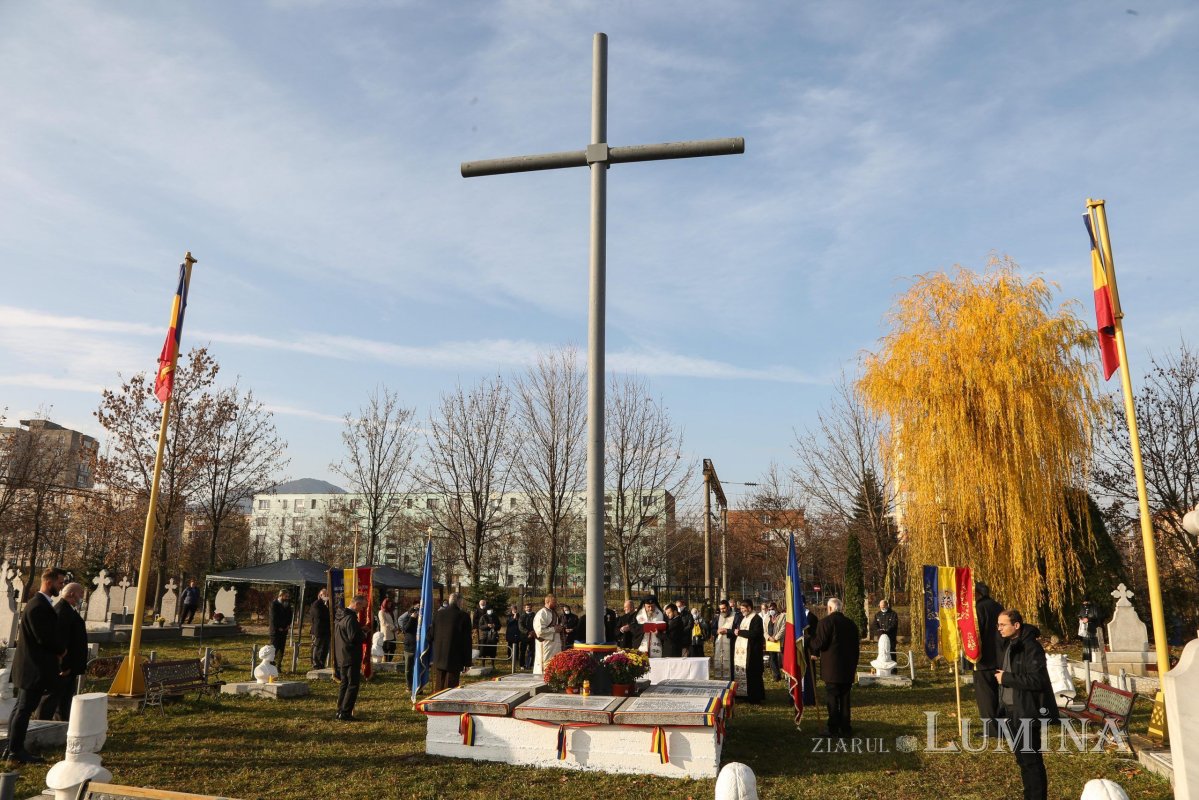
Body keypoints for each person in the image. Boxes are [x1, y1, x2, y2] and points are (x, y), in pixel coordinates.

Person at [4, 567, 66, 763]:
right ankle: (16, 751)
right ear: (49, 582)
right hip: (33, 667)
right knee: (24, 709)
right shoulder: (38, 606)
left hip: (30, 667)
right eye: (60, 582)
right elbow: (43, 636)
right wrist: (60, 649)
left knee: (20, 708)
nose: (61, 586)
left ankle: (12, 748)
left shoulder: (37, 604)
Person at [996, 609, 1057, 800]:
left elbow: (1037, 680)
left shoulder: (1031, 647)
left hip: (1026, 711)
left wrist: (1006, 677)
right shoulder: (1010, 644)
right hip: (1011, 710)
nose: (999, 628)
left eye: (1003, 624)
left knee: (1031, 761)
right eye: (998, 624)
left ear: (1016, 625)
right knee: (1022, 760)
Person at [36, 581, 87, 722]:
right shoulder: (62, 611)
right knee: (51, 700)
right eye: (81, 594)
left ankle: (61, 727)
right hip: (63, 668)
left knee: (63, 702)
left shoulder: (68, 610)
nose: (82, 596)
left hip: (70, 668)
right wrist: (63, 666)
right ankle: (40, 726)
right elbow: (60, 641)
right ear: (72, 594)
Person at [810, 597, 860, 736]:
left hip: (832, 668)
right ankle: (845, 728)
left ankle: (833, 727)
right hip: (848, 667)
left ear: (830, 608)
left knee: (832, 698)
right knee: (845, 699)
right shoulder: (851, 624)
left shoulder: (825, 622)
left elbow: (819, 644)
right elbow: (856, 647)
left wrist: (808, 640)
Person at [974, 581, 1005, 736]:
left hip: (983, 657)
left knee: (985, 695)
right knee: (998, 693)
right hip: (999, 655)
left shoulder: (978, 608)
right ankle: (1000, 724)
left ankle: (991, 729)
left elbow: (975, 633)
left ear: (977, 593)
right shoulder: (998, 606)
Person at [431, 592, 473, 690]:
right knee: (450, 688)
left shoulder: (438, 614)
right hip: (455, 658)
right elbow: (467, 641)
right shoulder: (464, 616)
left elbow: (430, 635)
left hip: (439, 656)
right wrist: (467, 662)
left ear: (449, 601)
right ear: (460, 601)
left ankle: (436, 703)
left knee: (439, 684)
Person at [334, 594, 366, 721]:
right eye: (362, 607)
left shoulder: (340, 616)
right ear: (356, 604)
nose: (362, 610)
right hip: (351, 655)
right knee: (352, 684)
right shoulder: (351, 618)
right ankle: (346, 713)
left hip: (341, 654)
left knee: (344, 684)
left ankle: (340, 710)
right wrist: (363, 634)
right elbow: (353, 637)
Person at [733, 599, 765, 703]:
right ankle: (744, 695)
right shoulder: (744, 618)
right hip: (745, 652)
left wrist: (740, 632)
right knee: (746, 674)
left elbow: (755, 634)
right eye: (741, 609)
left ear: (749, 608)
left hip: (753, 652)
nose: (741, 611)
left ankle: (755, 697)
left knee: (754, 675)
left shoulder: (756, 619)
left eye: (743, 608)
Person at [532, 594, 565, 675]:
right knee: (546, 666)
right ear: (547, 602)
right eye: (554, 602)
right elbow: (539, 631)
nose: (556, 604)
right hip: (546, 645)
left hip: (555, 645)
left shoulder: (554, 613)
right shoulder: (542, 613)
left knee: (555, 665)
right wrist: (554, 629)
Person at [712, 599, 740, 680]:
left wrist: (727, 631)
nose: (722, 610)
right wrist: (717, 631)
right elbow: (712, 630)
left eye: (724, 608)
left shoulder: (736, 616)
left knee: (730, 664)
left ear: (728, 607)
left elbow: (738, 630)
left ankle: (730, 684)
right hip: (718, 645)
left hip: (731, 645)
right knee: (719, 663)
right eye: (720, 609)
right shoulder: (717, 617)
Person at [268, 589, 293, 665]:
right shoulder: (274, 604)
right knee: (274, 648)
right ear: (281, 595)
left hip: (284, 630)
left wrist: (288, 625)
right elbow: (273, 618)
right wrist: (278, 627)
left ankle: (279, 665)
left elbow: (290, 616)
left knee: (281, 649)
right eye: (286, 596)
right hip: (275, 631)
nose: (287, 598)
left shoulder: (287, 604)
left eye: (288, 596)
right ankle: (271, 663)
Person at [310, 588, 331, 670]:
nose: (327, 596)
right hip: (319, 630)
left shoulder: (326, 604)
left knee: (324, 648)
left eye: (328, 595)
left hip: (326, 630)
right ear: (320, 595)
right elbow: (319, 616)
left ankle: (322, 663)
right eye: (325, 595)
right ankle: (315, 663)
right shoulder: (316, 604)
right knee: (317, 647)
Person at [398, 602, 419, 679]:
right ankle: (409, 685)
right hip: (409, 646)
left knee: (417, 667)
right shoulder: (407, 619)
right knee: (408, 668)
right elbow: (406, 629)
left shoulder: (420, 620)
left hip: (418, 645)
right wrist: (412, 619)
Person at [1077, 597, 1102, 663]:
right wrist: (1081, 618)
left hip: (1093, 629)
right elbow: (1080, 615)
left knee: (1093, 644)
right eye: (1084, 602)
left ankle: (1094, 659)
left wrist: (1089, 619)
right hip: (1085, 630)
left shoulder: (1094, 608)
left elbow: (1096, 616)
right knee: (1086, 644)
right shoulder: (1082, 608)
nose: (1085, 603)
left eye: (1086, 602)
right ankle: (1086, 659)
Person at [765, 602, 786, 682]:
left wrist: (776, 637)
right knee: (772, 659)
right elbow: (764, 630)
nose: (771, 611)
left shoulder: (782, 616)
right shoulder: (767, 618)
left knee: (783, 658)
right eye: (769, 609)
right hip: (770, 641)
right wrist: (768, 637)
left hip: (780, 640)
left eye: (772, 609)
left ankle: (787, 674)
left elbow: (783, 628)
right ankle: (776, 676)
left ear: (776, 608)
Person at [377, 597, 398, 663]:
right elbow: (383, 622)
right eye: (388, 604)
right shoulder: (381, 612)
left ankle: (389, 662)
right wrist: (393, 627)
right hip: (386, 633)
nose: (389, 605)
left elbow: (395, 621)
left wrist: (396, 627)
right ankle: (385, 663)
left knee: (393, 648)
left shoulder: (392, 612)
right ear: (385, 604)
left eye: (390, 604)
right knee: (386, 649)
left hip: (393, 633)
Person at [518, 601, 537, 669]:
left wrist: (532, 633)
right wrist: (527, 632)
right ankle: (522, 665)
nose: (529, 608)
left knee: (532, 651)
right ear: (525, 608)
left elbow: (537, 624)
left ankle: (530, 665)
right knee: (522, 651)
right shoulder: (522, 616)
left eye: (530, 607)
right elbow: (520, 626)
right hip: (524, 636)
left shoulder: (535, 616)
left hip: (533, 635)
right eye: (527, 607)